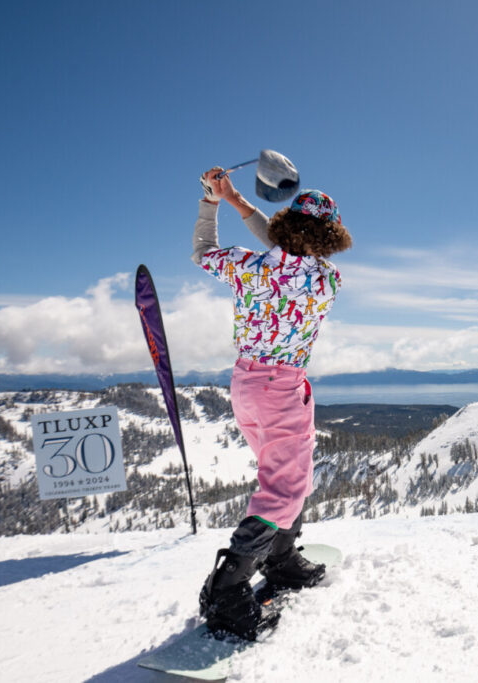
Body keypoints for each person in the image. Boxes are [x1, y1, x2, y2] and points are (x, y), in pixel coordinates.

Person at [191, 167, 352, 639]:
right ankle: (227, 588)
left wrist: (217, 201)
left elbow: (206, 251)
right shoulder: (326, 281)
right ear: (330, 240)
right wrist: (238, 201)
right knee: (283, 486)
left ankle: (280, 558)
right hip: (283, 389)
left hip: (245, 384)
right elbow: (290, 246)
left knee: (284, 473)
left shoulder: (250, 266)